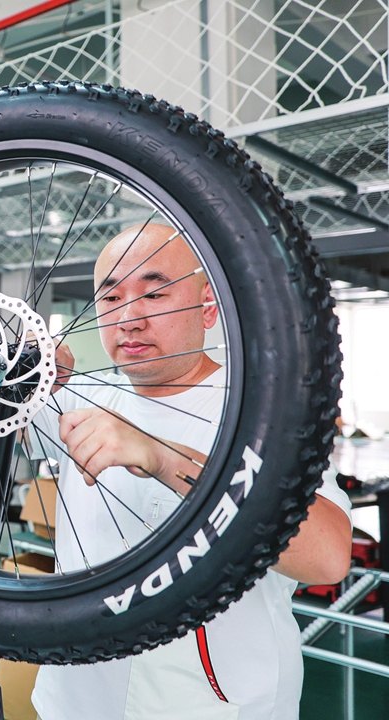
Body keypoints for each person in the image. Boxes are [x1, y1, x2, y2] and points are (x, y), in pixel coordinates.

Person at [29, 224, 352, 720]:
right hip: (76, 701)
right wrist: (17, 368)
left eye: (154, 293)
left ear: (207, 305)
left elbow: (329, 558)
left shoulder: (268, 410)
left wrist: (165, 458)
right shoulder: (82, 397)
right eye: (111, 297)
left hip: (217, 705)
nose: (129, 318)